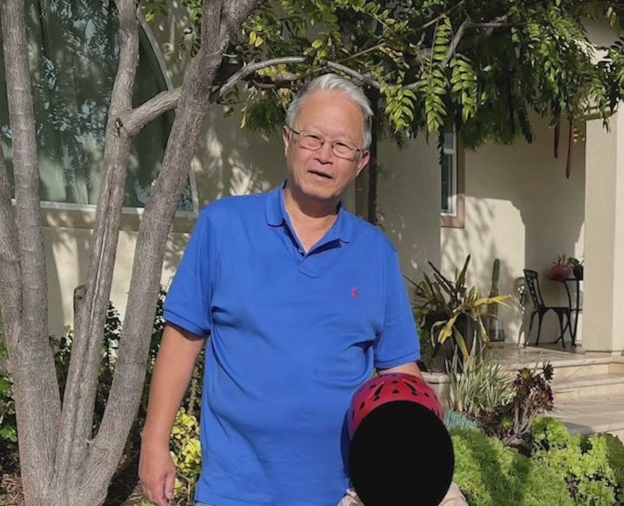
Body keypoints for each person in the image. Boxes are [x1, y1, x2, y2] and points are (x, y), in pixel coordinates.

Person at [138, 73, 467, 506]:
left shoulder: (376, 255)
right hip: (235, 492)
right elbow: (183, 338)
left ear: (361, 161)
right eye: (313, 137)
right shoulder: (223, 228)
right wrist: (154, 441)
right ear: (287, 139)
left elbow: (399, 374)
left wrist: (421, 466)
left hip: (341, 493)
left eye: (342, 146)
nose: (324, 156)